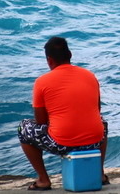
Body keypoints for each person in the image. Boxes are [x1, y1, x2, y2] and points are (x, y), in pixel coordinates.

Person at [18, 37, 109, 191]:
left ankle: (43, 180)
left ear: (49, 60)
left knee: (23, 127)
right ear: (70, 54)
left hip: (62, 143)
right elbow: (96, 110)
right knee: (102, 122)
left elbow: (40, 121)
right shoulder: (90, 76)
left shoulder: (42, 82)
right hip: (94, 141)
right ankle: (99, 174)